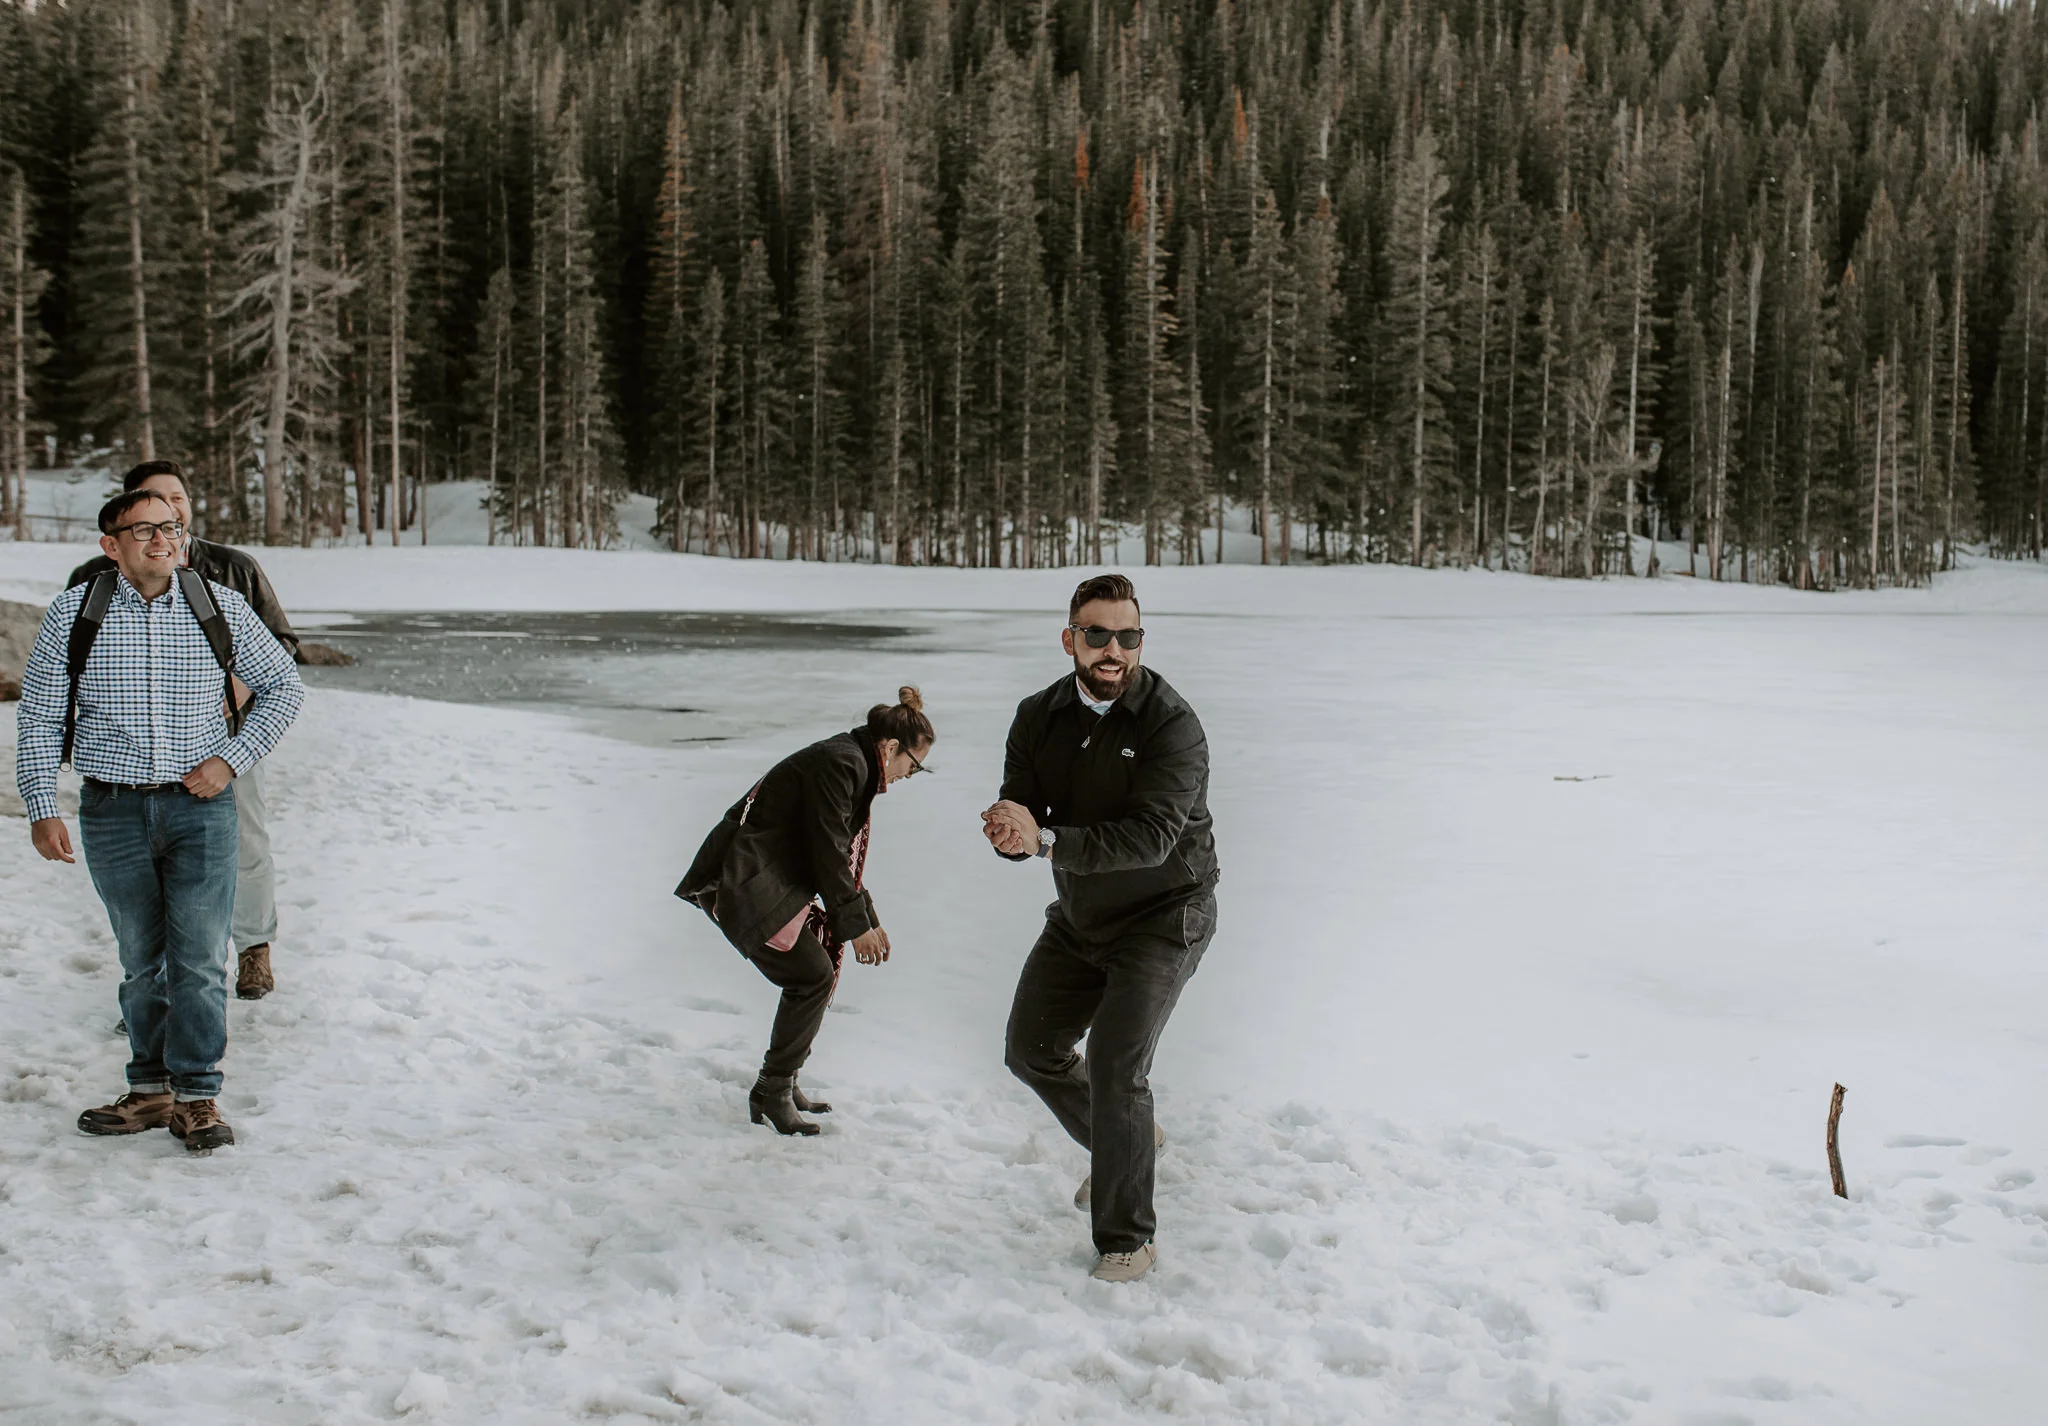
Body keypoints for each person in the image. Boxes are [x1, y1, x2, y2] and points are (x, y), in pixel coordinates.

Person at [17, 489, 304, 1152]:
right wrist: (40, 805)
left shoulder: (218, 604)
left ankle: (199, 1096)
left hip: (201, 809)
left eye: (169, 526)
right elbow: (38, 715)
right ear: (110, 545)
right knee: (141, 960)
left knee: (200, 959)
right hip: (110, 809)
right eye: (141, 530)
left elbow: (284, 686)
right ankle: (150, 1091)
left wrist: (231, 760)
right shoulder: (74, 612)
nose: (160, 539)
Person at [983, 574, 1218, 1283]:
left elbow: (1149, 838)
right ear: (1071, 641)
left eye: (1128, 636)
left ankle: (1127, 1240)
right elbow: (1022, 805)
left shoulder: (1172, 724)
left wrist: (1047, 842)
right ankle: (1128, 1143)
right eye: (1097, 635)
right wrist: (1008, 829)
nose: (1113, 650)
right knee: (1031, 1049)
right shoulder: (1037, 715)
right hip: (1083, 912)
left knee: (1118, 1065)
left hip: (1165, 912)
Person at [68, 460, 302, 1001]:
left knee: (247, 843)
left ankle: (253, 948)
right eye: (152, 501)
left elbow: (282, 646)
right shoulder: (91, 579)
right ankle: (161, 989)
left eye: (175, 498)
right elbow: (75, 664)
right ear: (125, 520)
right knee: (150, 878)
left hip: (228, 740)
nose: (167, 510)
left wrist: (236, 696)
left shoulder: (233, 567)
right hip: (134, 761)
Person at [677, 688, 936, 1136]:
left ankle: (778, 1084)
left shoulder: (850, 759)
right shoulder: (843, 763)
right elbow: (828, 852)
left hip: (762, 876)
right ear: (892, 748)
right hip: (742, 879)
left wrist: (867, 917)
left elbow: (831, 849)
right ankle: (773, 1089)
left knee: (809, 977)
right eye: (912, 767)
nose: (906, 777)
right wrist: (856, 927)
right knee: (811, 976)